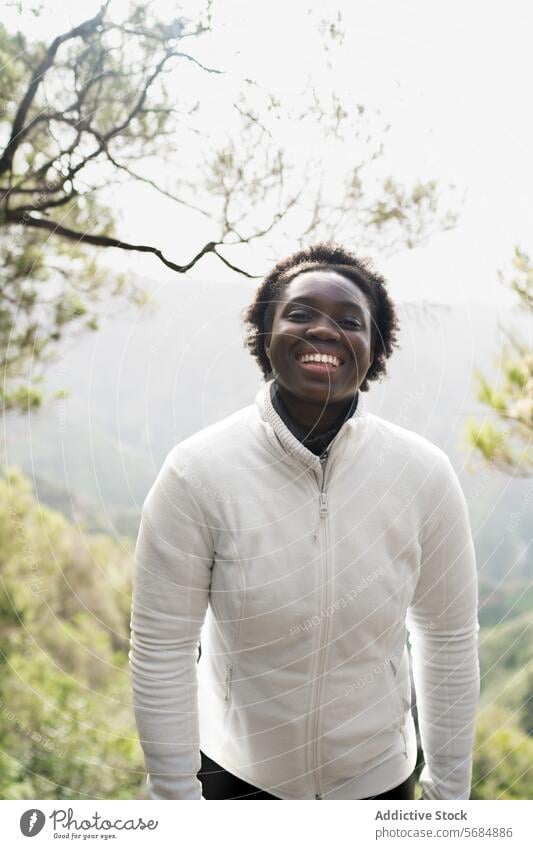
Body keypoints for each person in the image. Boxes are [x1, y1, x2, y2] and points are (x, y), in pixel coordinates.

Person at [129, 241, 480, 801]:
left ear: (374, 349)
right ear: (265, 337)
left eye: (349, 321)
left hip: (380, 785)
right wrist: (176, 802)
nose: (324, 330)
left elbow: (448, 638)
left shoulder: (423, 476)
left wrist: (448, 803)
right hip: (236, 780)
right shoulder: (197, 473)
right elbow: (162, 647)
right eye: (299, 313)